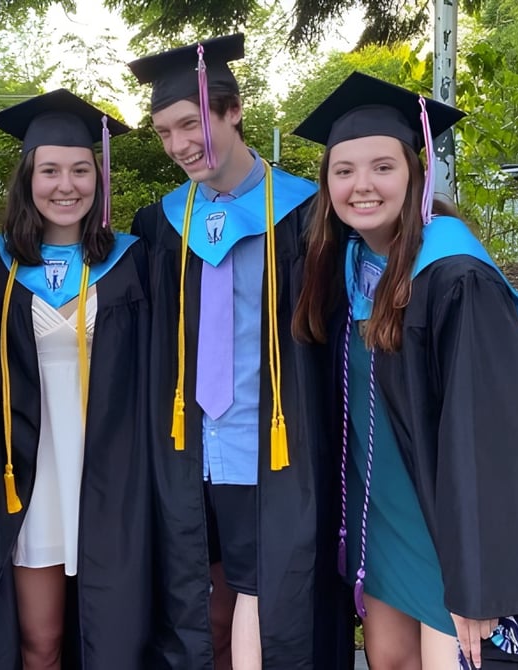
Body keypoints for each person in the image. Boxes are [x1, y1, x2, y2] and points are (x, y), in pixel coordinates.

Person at [291, 71, 518, 670]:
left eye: (382, 167)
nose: (361, 185)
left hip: (449, 532)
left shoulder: (455, 276)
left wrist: (484, 582)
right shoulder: (341, 268)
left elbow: (495, 439)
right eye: (344, 171)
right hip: (380, 519)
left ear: (415, 175)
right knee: (389, 660)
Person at [127, 34, 354, 670]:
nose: (177, 144)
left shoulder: (311, 215)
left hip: (274, 450)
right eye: (164, 130)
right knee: (201, 606)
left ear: (232, 110)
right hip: (187, 453)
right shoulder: (161, 223)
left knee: (271, 599)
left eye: (190, 122)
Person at [0, 89, 151, 670]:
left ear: (99, 177)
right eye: (49, 170)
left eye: (80, 169)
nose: (66, 185)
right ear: (27, 179)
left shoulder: (137, 261)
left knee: (114, 641)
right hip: (30, 479)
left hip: (115, 478)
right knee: (39, 643)